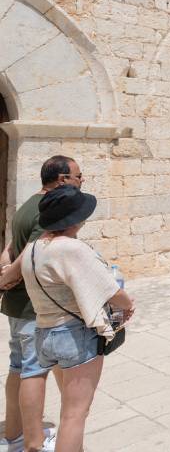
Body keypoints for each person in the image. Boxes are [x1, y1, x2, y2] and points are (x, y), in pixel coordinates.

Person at [19, 185, 134, 452]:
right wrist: (128, 305)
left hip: (45, 332)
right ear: (73, 219)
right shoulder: (72, 249)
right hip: (73, 335)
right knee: (74, 415)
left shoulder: (34, 248)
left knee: (69, 409)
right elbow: (108, 288)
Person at [0, 155, 84, 452]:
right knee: (33, 371)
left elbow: (11, 247)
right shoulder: (46, 211)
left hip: (15, 303)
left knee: (17, 366)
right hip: (33, 304)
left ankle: (13, 433)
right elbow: (30, 253)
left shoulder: (26, 205)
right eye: (77, 177)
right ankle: (33, 443)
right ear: (61, 180)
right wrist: (6, 278)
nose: (80, 181)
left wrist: (5, 274)